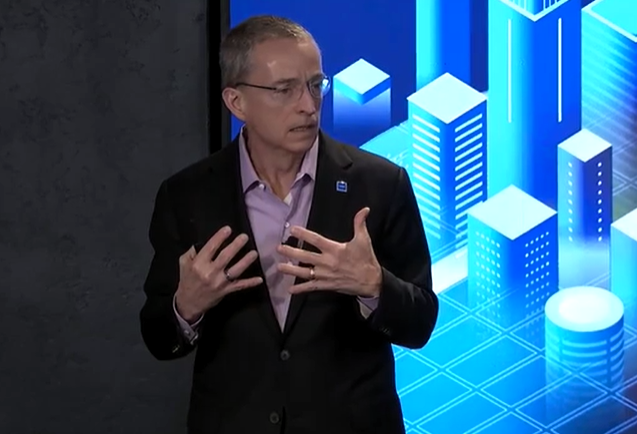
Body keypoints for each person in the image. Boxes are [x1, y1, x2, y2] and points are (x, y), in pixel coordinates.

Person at [140, 15, 438, 434]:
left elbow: (420, 323)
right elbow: (159, 337)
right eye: (285, 89)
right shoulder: (187, 196)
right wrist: (185, 307)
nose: (308, 105)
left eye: (316, 85)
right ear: (236, 102)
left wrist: (373, 286)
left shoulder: (381, 185)